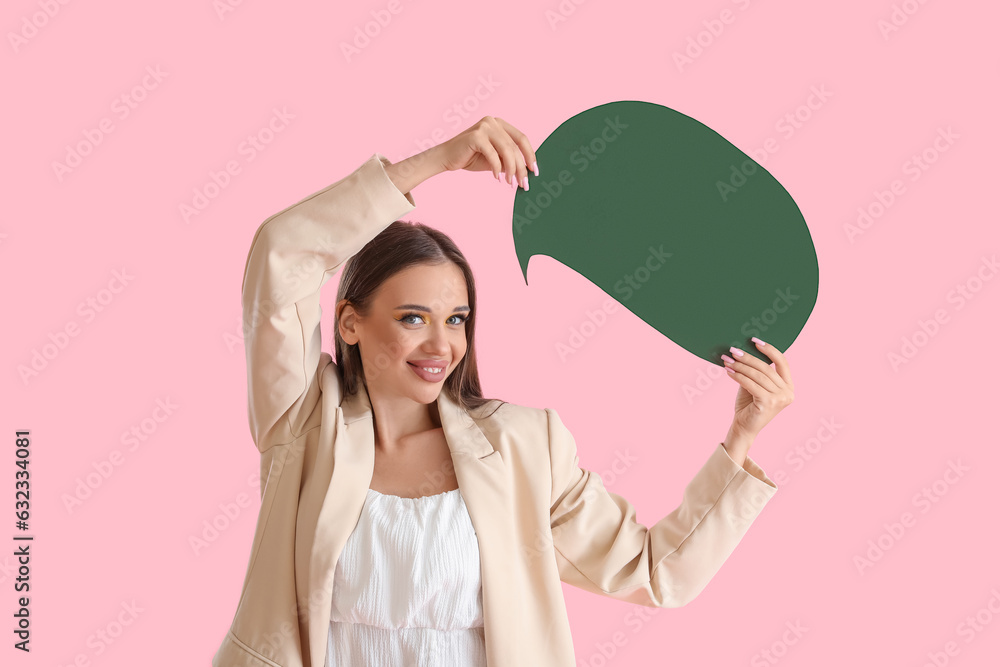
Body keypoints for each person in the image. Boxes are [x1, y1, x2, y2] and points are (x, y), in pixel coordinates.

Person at [211, 116, 794, 667]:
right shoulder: (303, 424)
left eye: (457, 318)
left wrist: (741, 436)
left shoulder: (522, 445)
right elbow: (281, 253)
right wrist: (437, 160)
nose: (441, 345)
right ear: (350, 323)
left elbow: (653, 572)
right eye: (413, 318)